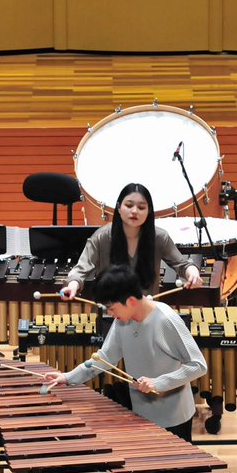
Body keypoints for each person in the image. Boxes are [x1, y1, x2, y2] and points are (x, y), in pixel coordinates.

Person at [45, 264, 207, 440]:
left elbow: (198, 365)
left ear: (130, 301)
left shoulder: (166, 320)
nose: (109, 313)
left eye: (111, 308)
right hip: (141, 414)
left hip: (174, 418)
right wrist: (67, 377)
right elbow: (105, 358)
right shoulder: (122, 320)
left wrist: (158, 383)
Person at [61, 182, 202, 299]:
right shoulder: (101, 237)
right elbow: (80, 270)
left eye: (141, 207)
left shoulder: (159, 237)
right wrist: (72, 285)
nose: (134, 211)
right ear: (119, 208)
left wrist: (193, 273)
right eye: (129, 205)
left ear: (149, 211)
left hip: (147, 314)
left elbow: (183, 265)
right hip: (111, 314)